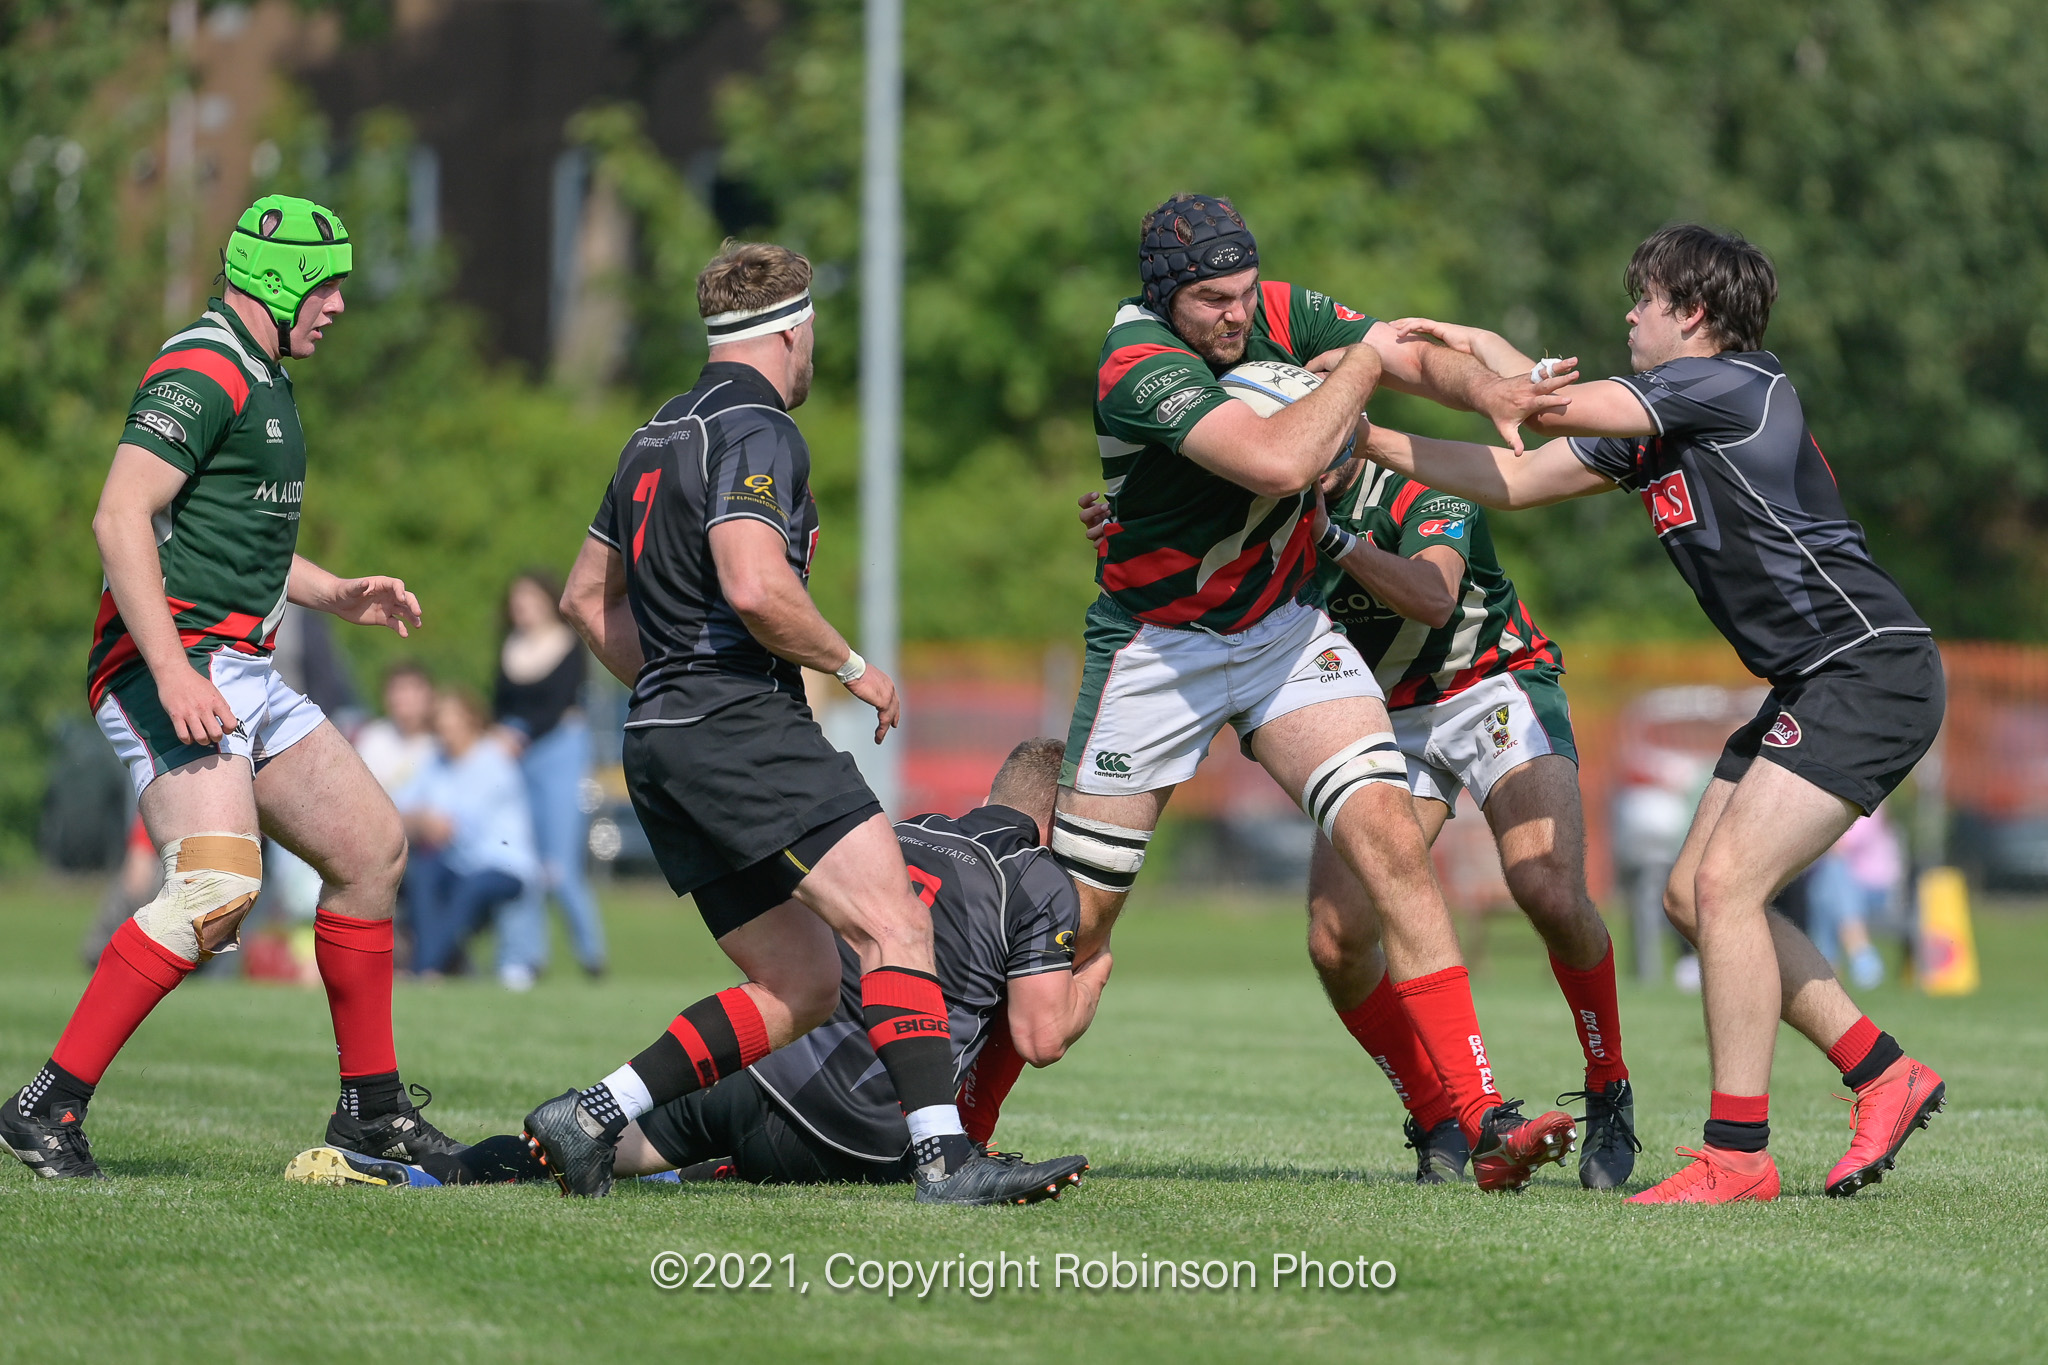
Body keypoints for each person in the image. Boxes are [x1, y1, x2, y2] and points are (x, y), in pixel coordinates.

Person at [1361, 223, 1946, 1203]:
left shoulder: (1734, 385)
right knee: (1691, 896)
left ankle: (1737, 1154)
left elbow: (1536, 405)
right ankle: (1884, 1074)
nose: (1629, 314)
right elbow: (1514, 475)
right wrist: (1368, 440)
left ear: (1695, 313)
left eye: (1645, 299)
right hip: (1814, 680)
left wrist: (1403, 367)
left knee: (1724, 886)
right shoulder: (1665, 423)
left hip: (1866, 667)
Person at [522, 239, 1087, 1205]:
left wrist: (672, 688)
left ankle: (593, 1112)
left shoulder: (653, 434)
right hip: (741, 723)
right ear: (792, 331)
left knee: (803, 984)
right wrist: (851, 665)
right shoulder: (760, 426)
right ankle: (945, 1160)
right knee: (894, 923)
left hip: (661, 739)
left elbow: (583, 597)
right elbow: (753, 582)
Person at [1044, 192, 1579, 1192]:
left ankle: (1480, 1116)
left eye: (1245, 292)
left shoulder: (1277, 317)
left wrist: (1487, 392)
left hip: (1284, 634)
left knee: (1390, 843)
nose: (1236, 314)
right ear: (1164, 297)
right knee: (1074, 935)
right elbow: (1285, 455)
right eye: (1212, 300)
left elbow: (1406, 352)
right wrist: (1362, 364)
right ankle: (947, 1126)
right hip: (1158, 649)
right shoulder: (1136, 361)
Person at [2, 195, 463, 1180]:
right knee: (216, 887)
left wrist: (336, 592)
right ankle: (46, 1107)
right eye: (326, 285)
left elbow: (232, 537)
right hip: (166, 666)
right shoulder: (204, 366)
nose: (339, 304)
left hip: (240, 665)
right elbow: (119, 517)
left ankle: (372, 1113)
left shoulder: (265, 375)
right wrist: (173, 670)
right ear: (278, 281)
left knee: (371, 851)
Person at [1077, 440, 1637, 1189]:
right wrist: (1130, 524)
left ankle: (1608, 1083)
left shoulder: (1420, 484)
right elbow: (1187, 556)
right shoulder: (1266, 494)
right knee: (1337, 940)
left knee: (1549, 892)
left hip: (1490, 685)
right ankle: (1440, 1113)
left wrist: (1333, 538)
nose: (1314, 442)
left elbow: (1435, 597)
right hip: (1380, 709)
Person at [295, 740, 1107, 1193]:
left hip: (751, 1072)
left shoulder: (906, 830)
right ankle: (713, 1170)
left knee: (582, 1151)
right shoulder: (1036, 877)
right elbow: (1038, 1034)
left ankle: (415, 1177)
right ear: (1055, 821)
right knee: (776, 1153)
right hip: (848, 1135)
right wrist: (1095, 963)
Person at [494, 569, 607, 977]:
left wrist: (519, 734)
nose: (522, 608)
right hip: (517, 759)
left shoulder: (566, 645)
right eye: (517, 601)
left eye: (529, 599)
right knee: (523, 861)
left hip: (559, 753)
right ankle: (527, 956)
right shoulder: (510, 646)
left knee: (559, 867)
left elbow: (559, 705)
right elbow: (500, 704)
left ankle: (592, 956)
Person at [395, 689, 540, 985]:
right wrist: (421, 820)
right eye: (441, 728)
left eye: (452, 728)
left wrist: (421, 820)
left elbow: (453, 826)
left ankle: (425, 969)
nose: (446, 736)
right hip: (460, 864)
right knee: (422, 874)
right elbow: (398, 807)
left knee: (468, 890)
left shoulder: (494, 761)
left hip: (504, 866)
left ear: (472, 724)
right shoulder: (436, 762)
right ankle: (432, 965)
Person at [1805, 810, 1904, 989]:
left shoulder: (1870, 808)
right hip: (1840, 892)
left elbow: (1838, 846)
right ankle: (1857, 953)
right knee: (1824, 889)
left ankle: (1831, 961)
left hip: (1873, 891)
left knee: (1833, 870)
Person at [353, 661, 438, 796]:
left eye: (413, 689)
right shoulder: (373, 738)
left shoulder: (442, 743)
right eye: (398, 690)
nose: (405, 698)